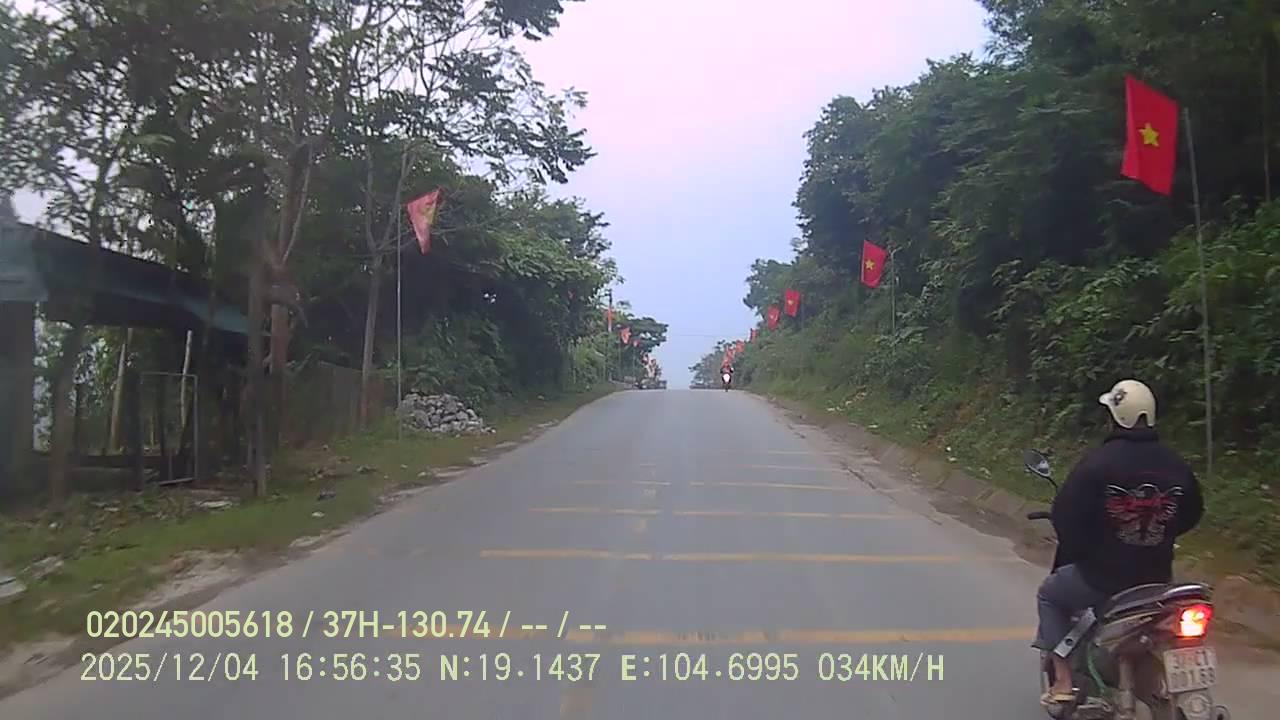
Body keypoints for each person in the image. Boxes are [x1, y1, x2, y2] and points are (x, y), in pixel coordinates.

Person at [1033, 379, 1204, 712]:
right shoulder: (1175, 464)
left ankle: (1063, 683)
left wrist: (1087, 547)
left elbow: (1067, 518)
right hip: (1156, 581)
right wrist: (1160, 533)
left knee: (1049, 595)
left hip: (1103, 580)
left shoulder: (1097, 463)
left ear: (1115, 417)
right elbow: (1192, 512)